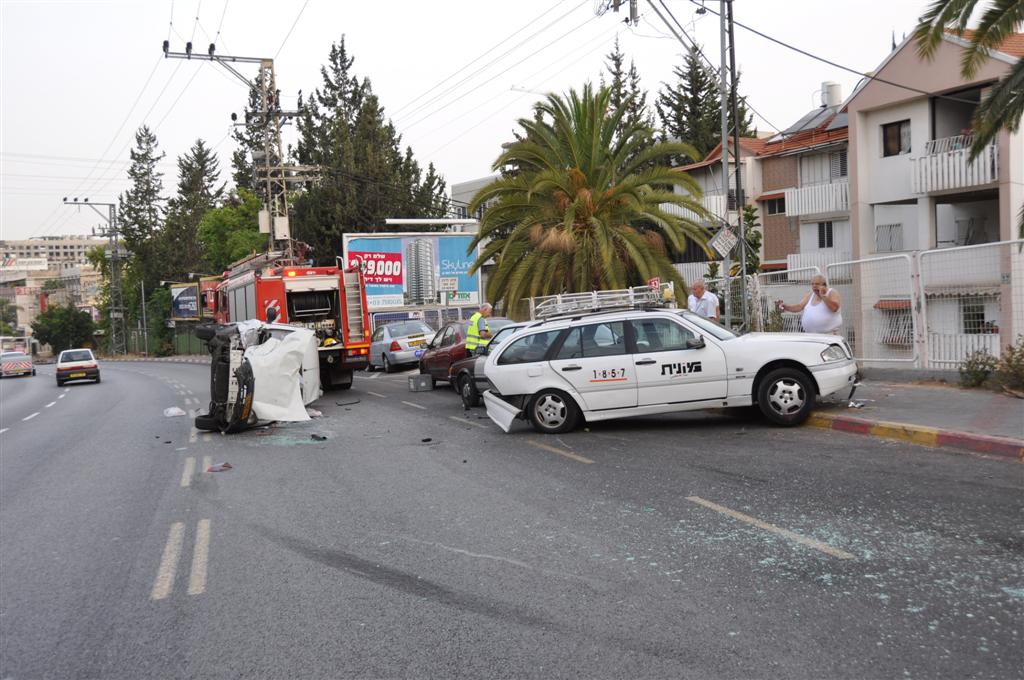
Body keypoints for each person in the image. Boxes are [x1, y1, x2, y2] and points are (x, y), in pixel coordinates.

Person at [776, 274, 843, 334]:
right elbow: (799, 307)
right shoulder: (811, 295)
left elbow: (834, 308)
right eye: (812, 284)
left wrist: (823, 296)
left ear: (824, 285)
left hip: (829, 336)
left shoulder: (832, 292)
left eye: (817, 284)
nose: (814, 286)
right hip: (812, 335)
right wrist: (786, 306)